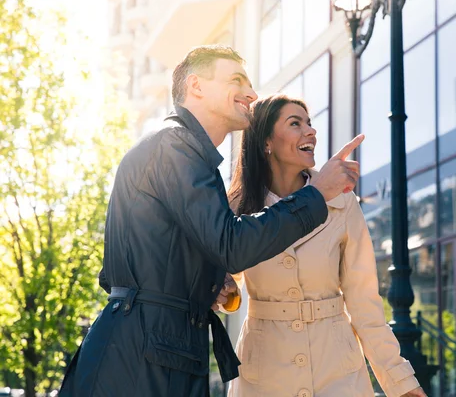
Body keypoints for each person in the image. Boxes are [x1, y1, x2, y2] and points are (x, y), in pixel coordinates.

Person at [58, 45, 363, 397]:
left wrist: (207, 280)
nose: (251, 93)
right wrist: (317, 193)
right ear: (197, 86)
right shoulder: (174, 147)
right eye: (236, 80)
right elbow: (230, 245)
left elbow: (145, 262)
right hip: (141, 359)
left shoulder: (186, 153)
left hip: (161, 349)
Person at [226, 94, 427, 397]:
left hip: (337, 371)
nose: (311, 131)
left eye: (310, 123)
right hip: (263, 372)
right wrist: (225, 289)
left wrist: (401, 382)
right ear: (266, 140)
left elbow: (364, 304)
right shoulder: (235, 207)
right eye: (295, 123)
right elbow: (224, 280)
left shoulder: (342, 201)